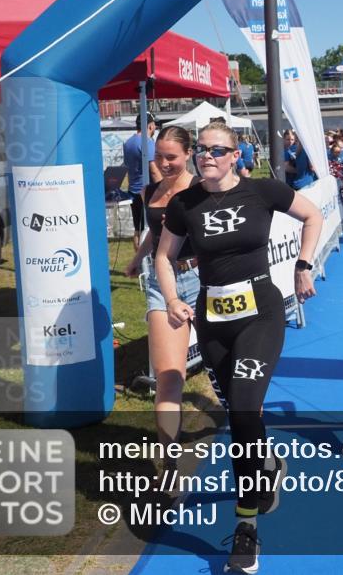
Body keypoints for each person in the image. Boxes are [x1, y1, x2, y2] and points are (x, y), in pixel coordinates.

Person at [156, 122, 322, 574]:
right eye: (202, 150)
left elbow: (313, 216)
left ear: (235, 155)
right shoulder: (184, 203)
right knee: (241, 416)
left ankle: (246, 528)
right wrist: (172, 299)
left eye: (217, 150)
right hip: (212, 321)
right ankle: (264, 463)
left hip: (260, 313)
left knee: (246, 410)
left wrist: (303, 266)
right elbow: (162, 257)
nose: (206, 156)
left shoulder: (263, 191)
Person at [124, 126, 201, 463]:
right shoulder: (149, 191)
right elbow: (157, 234)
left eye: (172, 157)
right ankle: (169, 462)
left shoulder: (202, 189)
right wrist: (137, 258)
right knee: (169, 377)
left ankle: (251, 446)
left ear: (187, 154)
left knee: (229, 373)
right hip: (162, 284)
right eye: (159, 156)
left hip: (205, 280)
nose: (165, 163)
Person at [123, 112, 163, 250]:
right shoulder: (147, 142)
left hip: (133, 189)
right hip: (148, 191)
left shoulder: (128, 143)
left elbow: (128, 168)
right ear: (150, 126)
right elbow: (153, 169)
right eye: (155, 126)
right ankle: (149, 264)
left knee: (138, 228)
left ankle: (138, 264)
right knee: (154, 227)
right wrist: (164, 187)